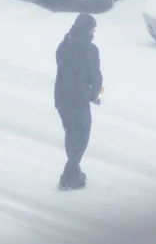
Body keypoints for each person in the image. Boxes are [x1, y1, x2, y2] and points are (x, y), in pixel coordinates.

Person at [54, 13, 103, 190]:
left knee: (71, 134)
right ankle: (69, 177)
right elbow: (96, 77)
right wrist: (94, 94)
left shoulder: (64, 45)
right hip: (78, 100)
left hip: (61, 98)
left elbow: (64, 70)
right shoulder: (90, 50)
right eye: (92, 29)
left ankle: (73, 173)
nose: (93, 32)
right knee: (81, 137)